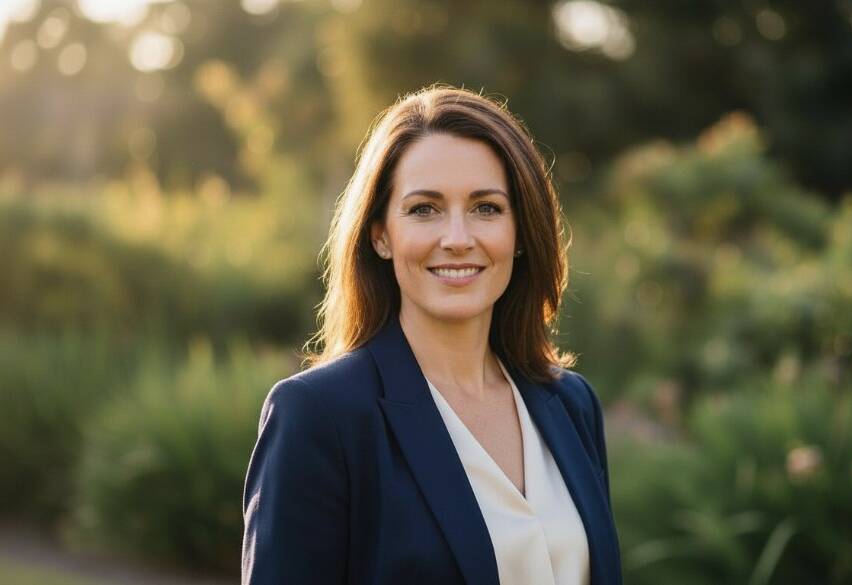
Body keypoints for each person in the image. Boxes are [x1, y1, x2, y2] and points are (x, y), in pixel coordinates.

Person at [241, 84, 622, 585]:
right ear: (381, 234)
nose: (458, 239)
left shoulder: (570, 403)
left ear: (521, 232)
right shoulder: (319, 415)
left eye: (486, 208)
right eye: (424, 209)